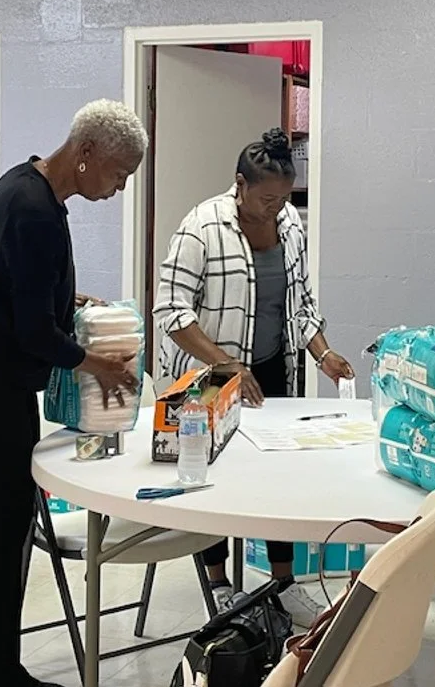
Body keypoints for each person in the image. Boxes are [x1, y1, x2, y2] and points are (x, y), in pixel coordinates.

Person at [0, 99, 148, 687]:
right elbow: (32, 331)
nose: (118, 190)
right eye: (118, 175)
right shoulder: (34, 211)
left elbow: (21, 289)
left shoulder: (23, 185)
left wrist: (71, 301)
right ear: (86, 153)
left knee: (6, 534)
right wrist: (100, 367)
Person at [154, 128, 354, 628]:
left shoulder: (289, 227)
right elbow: (171, 310)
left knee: (276, 479)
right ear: (239, 185)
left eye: (284, 198)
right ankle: (220, 585)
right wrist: (227, 366)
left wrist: (324, 353)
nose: (275, 208)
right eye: (266, 198)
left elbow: (301, 307)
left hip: (269, 370)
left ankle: (282, 584)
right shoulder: (201, 227)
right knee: (213, 476)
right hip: (208, 376)